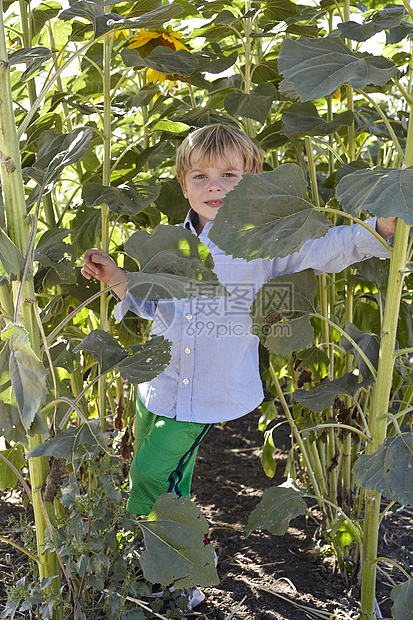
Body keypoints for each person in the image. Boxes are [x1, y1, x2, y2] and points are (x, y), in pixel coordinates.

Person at [81, 124, 396, 607]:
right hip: (158, 384)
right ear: (183, 185)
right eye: (201, 176)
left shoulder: (262, 241)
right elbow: (150, 305)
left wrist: (377, 232)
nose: (215, 186)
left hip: (207, 391)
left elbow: (325, 247)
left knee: (150, 473)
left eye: (230, 175)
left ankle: (179, 580)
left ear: (253, 182)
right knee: (168, 485)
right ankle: (151, 555)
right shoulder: (171, 242)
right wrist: (120, 278)